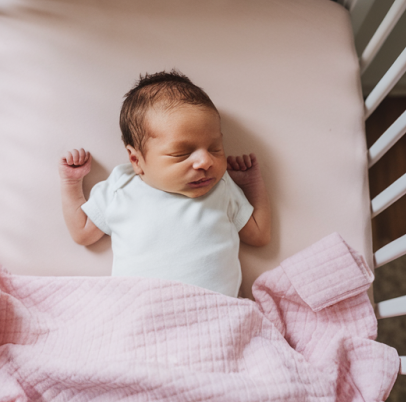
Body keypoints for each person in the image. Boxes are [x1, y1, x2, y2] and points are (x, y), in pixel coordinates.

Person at [58, 70, 271, 297]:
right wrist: (71, 183)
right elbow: (82, 232)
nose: (206, 161)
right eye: (182, 153)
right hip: (142, 310)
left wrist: (252, 183)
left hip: (214, 313)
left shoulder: (222, 187)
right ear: (136, 160)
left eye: (214, 148)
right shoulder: (122, 187)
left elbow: (259, 235)